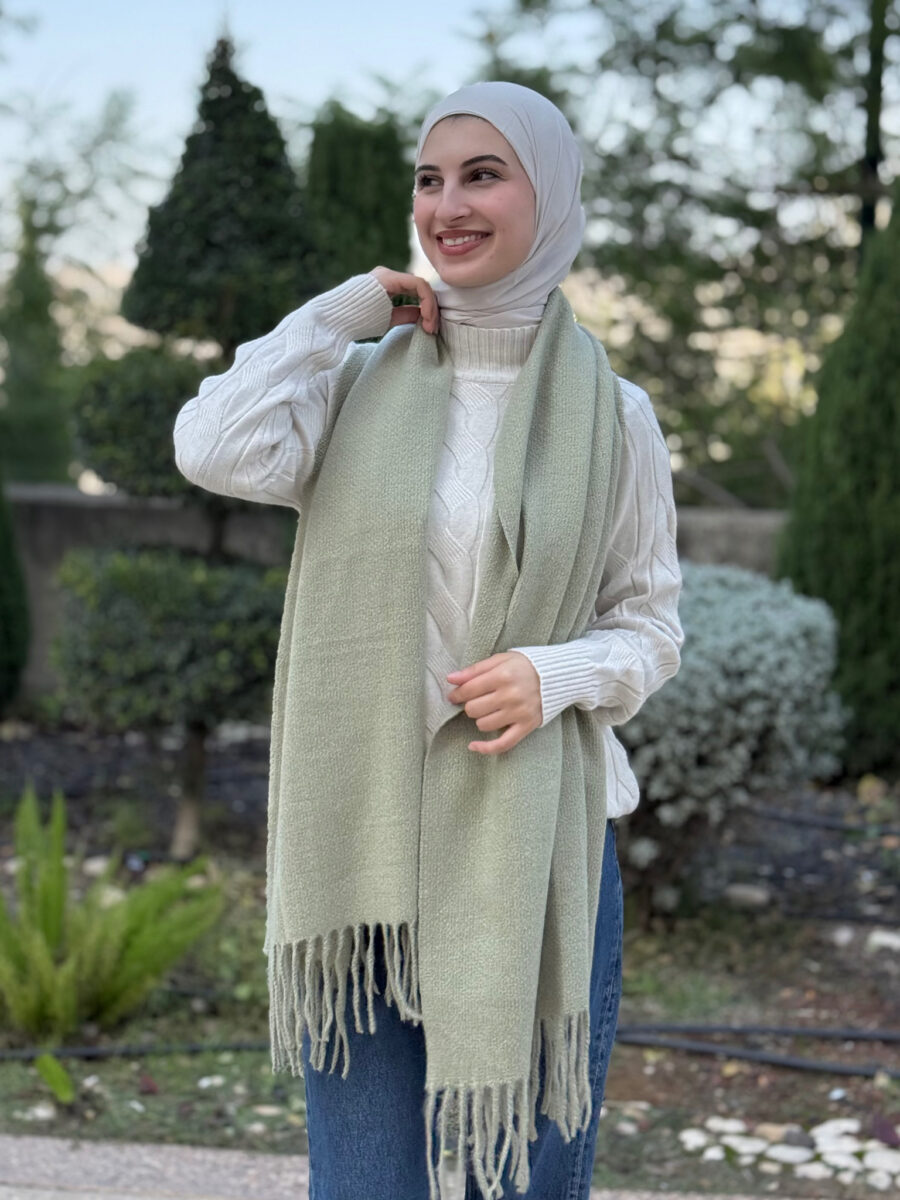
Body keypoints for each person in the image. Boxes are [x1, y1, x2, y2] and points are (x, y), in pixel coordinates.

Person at [174, 82, 683, 1200]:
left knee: (528, 1180)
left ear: (549, 194)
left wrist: (554, 673)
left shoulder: (617, 415)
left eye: (483, 175)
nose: (447, 205)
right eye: (429, 179)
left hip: (537, 843)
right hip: (360, 836)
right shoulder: (351, 385)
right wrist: (333, 318)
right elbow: (210, 446)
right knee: (365, 1185)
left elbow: (651, 627)